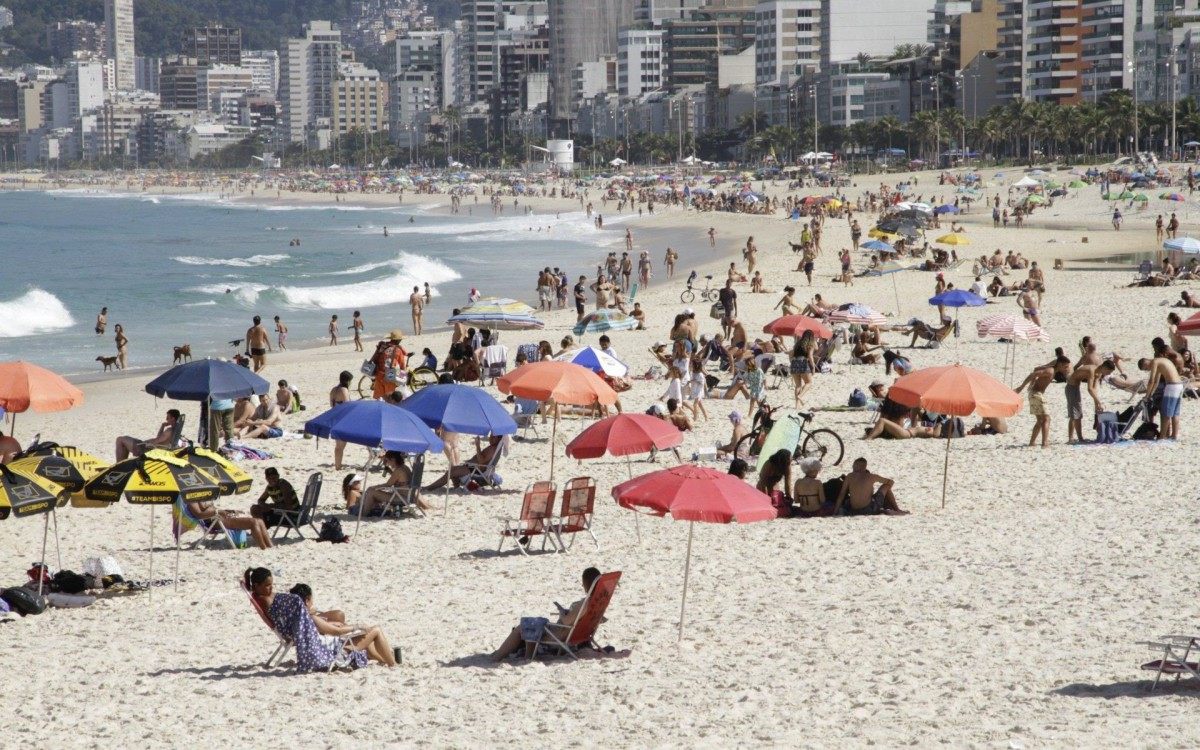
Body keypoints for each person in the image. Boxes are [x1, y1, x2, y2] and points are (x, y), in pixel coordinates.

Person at [243, 568, 368, 671]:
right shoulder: (266, 600)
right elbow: (286, 618)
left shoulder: (264, 596)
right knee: (337, 620)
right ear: (256, 586)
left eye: (271, 585)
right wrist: (308, 612)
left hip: (297, 620)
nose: (271, 588)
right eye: (267, 585)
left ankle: (346, 644)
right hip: (297, 626)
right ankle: (348, 645)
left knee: (338, 615)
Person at [492, 567, 605, 660]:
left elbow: (566, 621)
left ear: (586, 583)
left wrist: (562, 613)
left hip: (558, 635)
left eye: (583, 583)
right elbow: (601, 619)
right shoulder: (598, 602)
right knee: (533, 624)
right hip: (577, 634)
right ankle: (527, 655)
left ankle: (497, 656)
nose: (582, 585)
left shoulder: (584, 604)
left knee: (523, 627)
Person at [290, 583, 398, 667]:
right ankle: (393, 664)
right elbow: (336, 632)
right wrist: (357, 626)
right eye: (311, 599)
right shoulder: (311, 618)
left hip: (317, 653)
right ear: (307, 600)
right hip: (333, 654)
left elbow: (320, 629)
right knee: (375, 630)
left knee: (360, 634)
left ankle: (384, 658)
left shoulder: (296, 619)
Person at [426, 435, 505, 490]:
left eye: (493, 436)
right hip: (474, 467)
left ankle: (430, 488)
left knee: (450, 473)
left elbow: (481, 461)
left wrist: (478, 446)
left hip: (476, 469)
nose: (491, 438)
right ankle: (457, 488)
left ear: (498, 438)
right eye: (491, 436)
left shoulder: (492, 449)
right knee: (452, 470)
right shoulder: (494, 447)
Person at [833, 457, 908, 515]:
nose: (852, 467)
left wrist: (835, 512)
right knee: (886, 486)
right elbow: (891, 482)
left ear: (856, 466)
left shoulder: (849, 476)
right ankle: (897, 510)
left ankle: (893, 508)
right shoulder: (871, 476)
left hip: (853, 510)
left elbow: (841, 495)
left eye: (853, 465)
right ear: (865, 467)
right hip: (869, 509)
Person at [188, 499, 272, 549]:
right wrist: (217, 511)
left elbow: (214, 510)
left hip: (221, 518)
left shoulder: (201, 496)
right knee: (253, 522)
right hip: (216, 522)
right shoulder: (191, 500)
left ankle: (270, 546)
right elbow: (199, 514)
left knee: (259, 520)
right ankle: (263, 547)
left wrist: (229, 511)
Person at [1064, 359, 1114, 443]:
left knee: (1078, 415)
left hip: (1076, 388)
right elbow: (1089, 389)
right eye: (1108, 372)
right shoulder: (1092, 370)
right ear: (1105, 367)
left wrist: (1096, 405)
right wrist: (1099, 402)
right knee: (1074, 415)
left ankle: (1080, 438)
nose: (1109, 374)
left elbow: (1094, 389)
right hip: (1071, 387)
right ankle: (1070, 438)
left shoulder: (1099, 373)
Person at [1140, 354, 1184, 440]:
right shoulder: (1161, 361)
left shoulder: (1154, 362)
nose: (1147, 370)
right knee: (1175, 413)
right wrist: (1150, 395)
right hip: (1179, 385)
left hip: (1172, 386)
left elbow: (1151, 380)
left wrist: (1146, 396)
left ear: (1145, 363)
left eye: (1145, 368)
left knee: (1165, 413)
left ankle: (1162, 437)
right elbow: (1156, 381)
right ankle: (1174, 436)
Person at [114, 409, 181, 460]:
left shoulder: (169, 431)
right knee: (125, 438)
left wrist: (145, 442)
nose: (166, 419)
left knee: (120, 439)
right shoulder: (175, 430)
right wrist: (162, 426)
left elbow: (156, 441)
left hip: (147, 450)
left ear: (173, 418)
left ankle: (118, 465)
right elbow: (159, 438)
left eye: (168, 418)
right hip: (152, 448)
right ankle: (122, 463)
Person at [371, 331, 409, 400]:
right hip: (389, 375)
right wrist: (403, 379)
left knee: (382, 397)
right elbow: (402, 366)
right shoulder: (398, 350)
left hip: (378, 374)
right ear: (398, 340)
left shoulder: (382, 346)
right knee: (390, 398)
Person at [790, 330, 816, 407]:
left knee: (798, 385)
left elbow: (791, 354)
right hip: (803, 362)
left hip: (794, 362)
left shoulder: (797, 343)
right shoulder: (810, 344)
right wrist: (813, 367)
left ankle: (797, 405)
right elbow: (810, 356)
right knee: (809, 383)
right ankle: (800, 396)